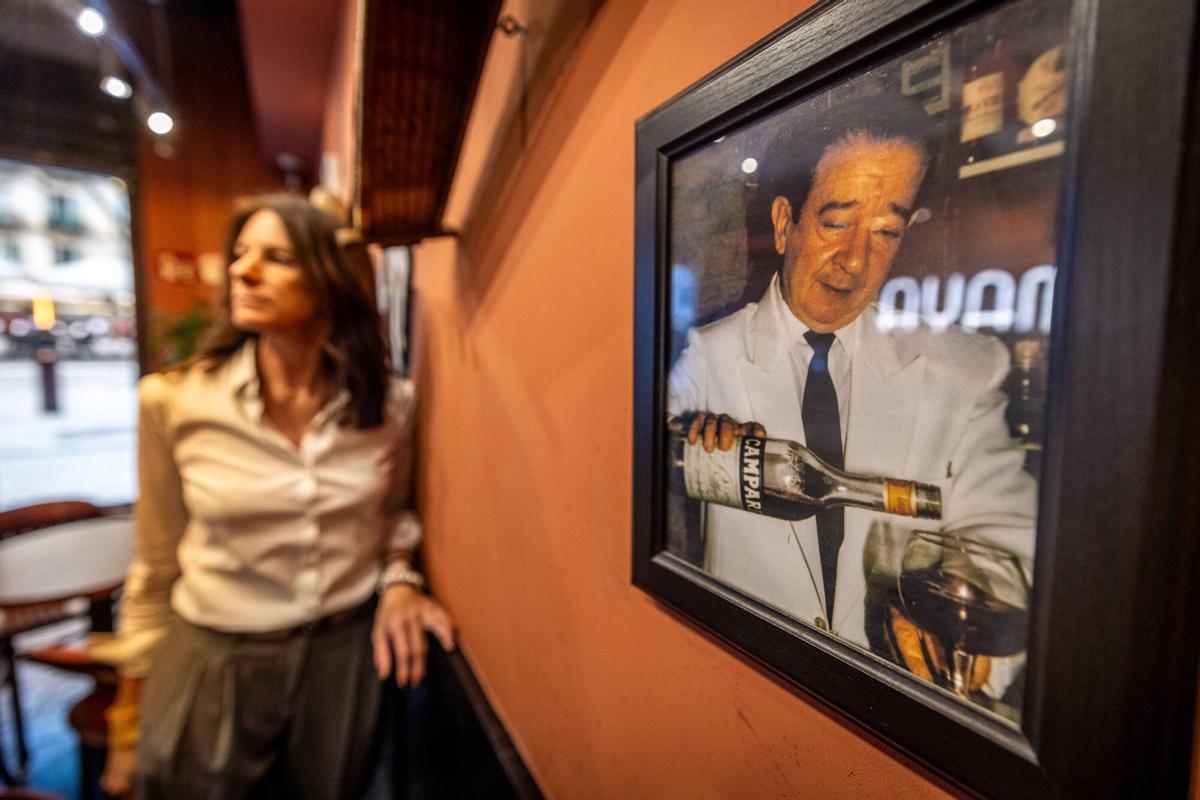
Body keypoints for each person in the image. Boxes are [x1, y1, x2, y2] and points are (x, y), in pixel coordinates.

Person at [668, 104, 1036, 695]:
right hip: (750, 689)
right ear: (786, 223)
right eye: (837, 223)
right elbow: (634, 440)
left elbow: (1014, 547)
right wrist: (688, 435)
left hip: (900, 715)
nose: (857, 260)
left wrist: (965, 641)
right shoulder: (707, 354)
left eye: (886, 232)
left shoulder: (962, 366)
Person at [99, 194, 455, 799]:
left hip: (343, 660)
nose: (241, 271)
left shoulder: (389, 405)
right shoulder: (175, 400)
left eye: (276, 258)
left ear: (331, 282)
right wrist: (127, 727)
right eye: (240, 255)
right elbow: (154, 564)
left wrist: (399, 579)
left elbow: (391, 516)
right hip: (214, 658)